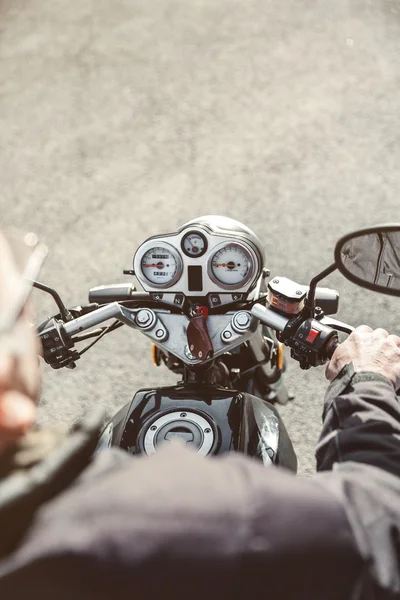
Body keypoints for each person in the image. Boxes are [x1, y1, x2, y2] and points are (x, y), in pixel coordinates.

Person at [0, 234, 400, 600]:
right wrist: (365, 380)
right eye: (19, 314)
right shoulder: (217, 510)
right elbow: (373, 523)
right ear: (9, 401)